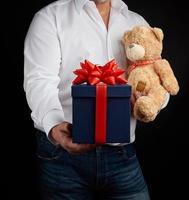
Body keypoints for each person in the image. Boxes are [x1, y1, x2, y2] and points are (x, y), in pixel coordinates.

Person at [24, 0, 169, 199]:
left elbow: (159, 80)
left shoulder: (137, 23)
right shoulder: (51, 17)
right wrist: (54, 126)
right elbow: (39, 80)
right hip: (61, 155)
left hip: (122, 154)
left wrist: (149, 100)